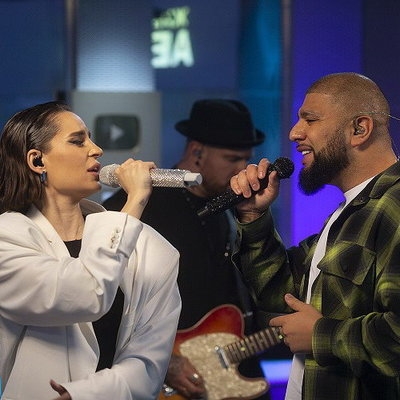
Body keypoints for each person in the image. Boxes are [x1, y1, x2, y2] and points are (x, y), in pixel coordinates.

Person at [229, 72, 400, 399]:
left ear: (359, 129)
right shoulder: (350, 212)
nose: (295, 133)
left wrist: (322, 335)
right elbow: (282, 296)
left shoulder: (394, 207)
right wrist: (253, 216)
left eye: (310, 119)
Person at [103, 98, 289, 399]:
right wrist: (165, 362)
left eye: (246, 159)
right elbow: (106, 297)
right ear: (196, 152)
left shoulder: (230, 205)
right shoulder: (139, 204)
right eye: (232, 159)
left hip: (229, 367)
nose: (242, 169)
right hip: (166, 376)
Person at [0, 101, 181, 400]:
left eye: (92, 139)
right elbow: (86, 294)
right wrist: (135, 199)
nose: (96, 150)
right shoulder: (7, 238)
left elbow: (150, 361)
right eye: (77, 141)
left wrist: (84, 394)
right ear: (37, 160)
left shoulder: (149, 247)